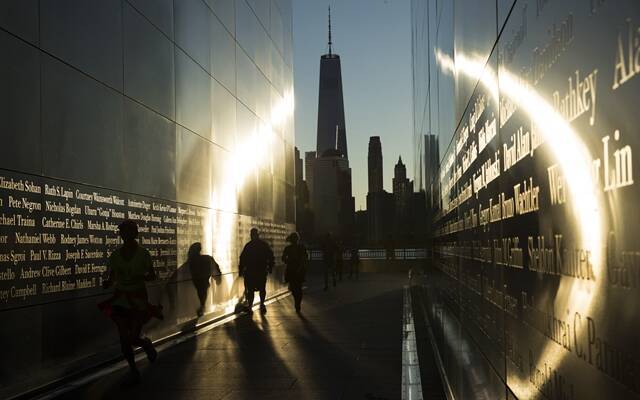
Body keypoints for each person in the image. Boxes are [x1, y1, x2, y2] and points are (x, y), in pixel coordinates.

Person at [99, 219, 163, 384]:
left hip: (138, 298)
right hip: (120, 299)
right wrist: (107, 283)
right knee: (123, 336)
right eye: (122, 232)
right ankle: (133, 369)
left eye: (128, 232)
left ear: (135, 234)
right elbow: (112, 278)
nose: (124, 235)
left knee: (133, 336)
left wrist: (141, 276)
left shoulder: (143, 254)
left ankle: (145, 343)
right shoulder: (115, 255)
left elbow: (152, 275)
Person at [239, 228, 274, 314]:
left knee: (251, 289)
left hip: (252, 271)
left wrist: (241, 269)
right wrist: (270, 266)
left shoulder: (249, 245)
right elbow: (270, 256)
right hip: (260, 270)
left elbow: (242, 258)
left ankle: (252, 306)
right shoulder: (264, 245)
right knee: (261, 288)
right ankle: (261, 304)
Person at [188, 242, 221, 317]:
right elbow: (215, 267)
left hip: (199, 280)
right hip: (203, 280)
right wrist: (218, 278)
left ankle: (202, 307)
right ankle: (202, 307)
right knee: (202, 292)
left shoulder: (193, 261)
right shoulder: (207, 258)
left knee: (201, 292)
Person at [282, 232, 308, 313]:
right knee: (298, 288)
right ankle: (298, 303)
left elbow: (283, 258)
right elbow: (305, 258)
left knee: (294, 287)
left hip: (292, 270)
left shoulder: (288, 248)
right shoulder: (301, 247)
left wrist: (288, 261)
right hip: (298, 270)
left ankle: (297, 302)